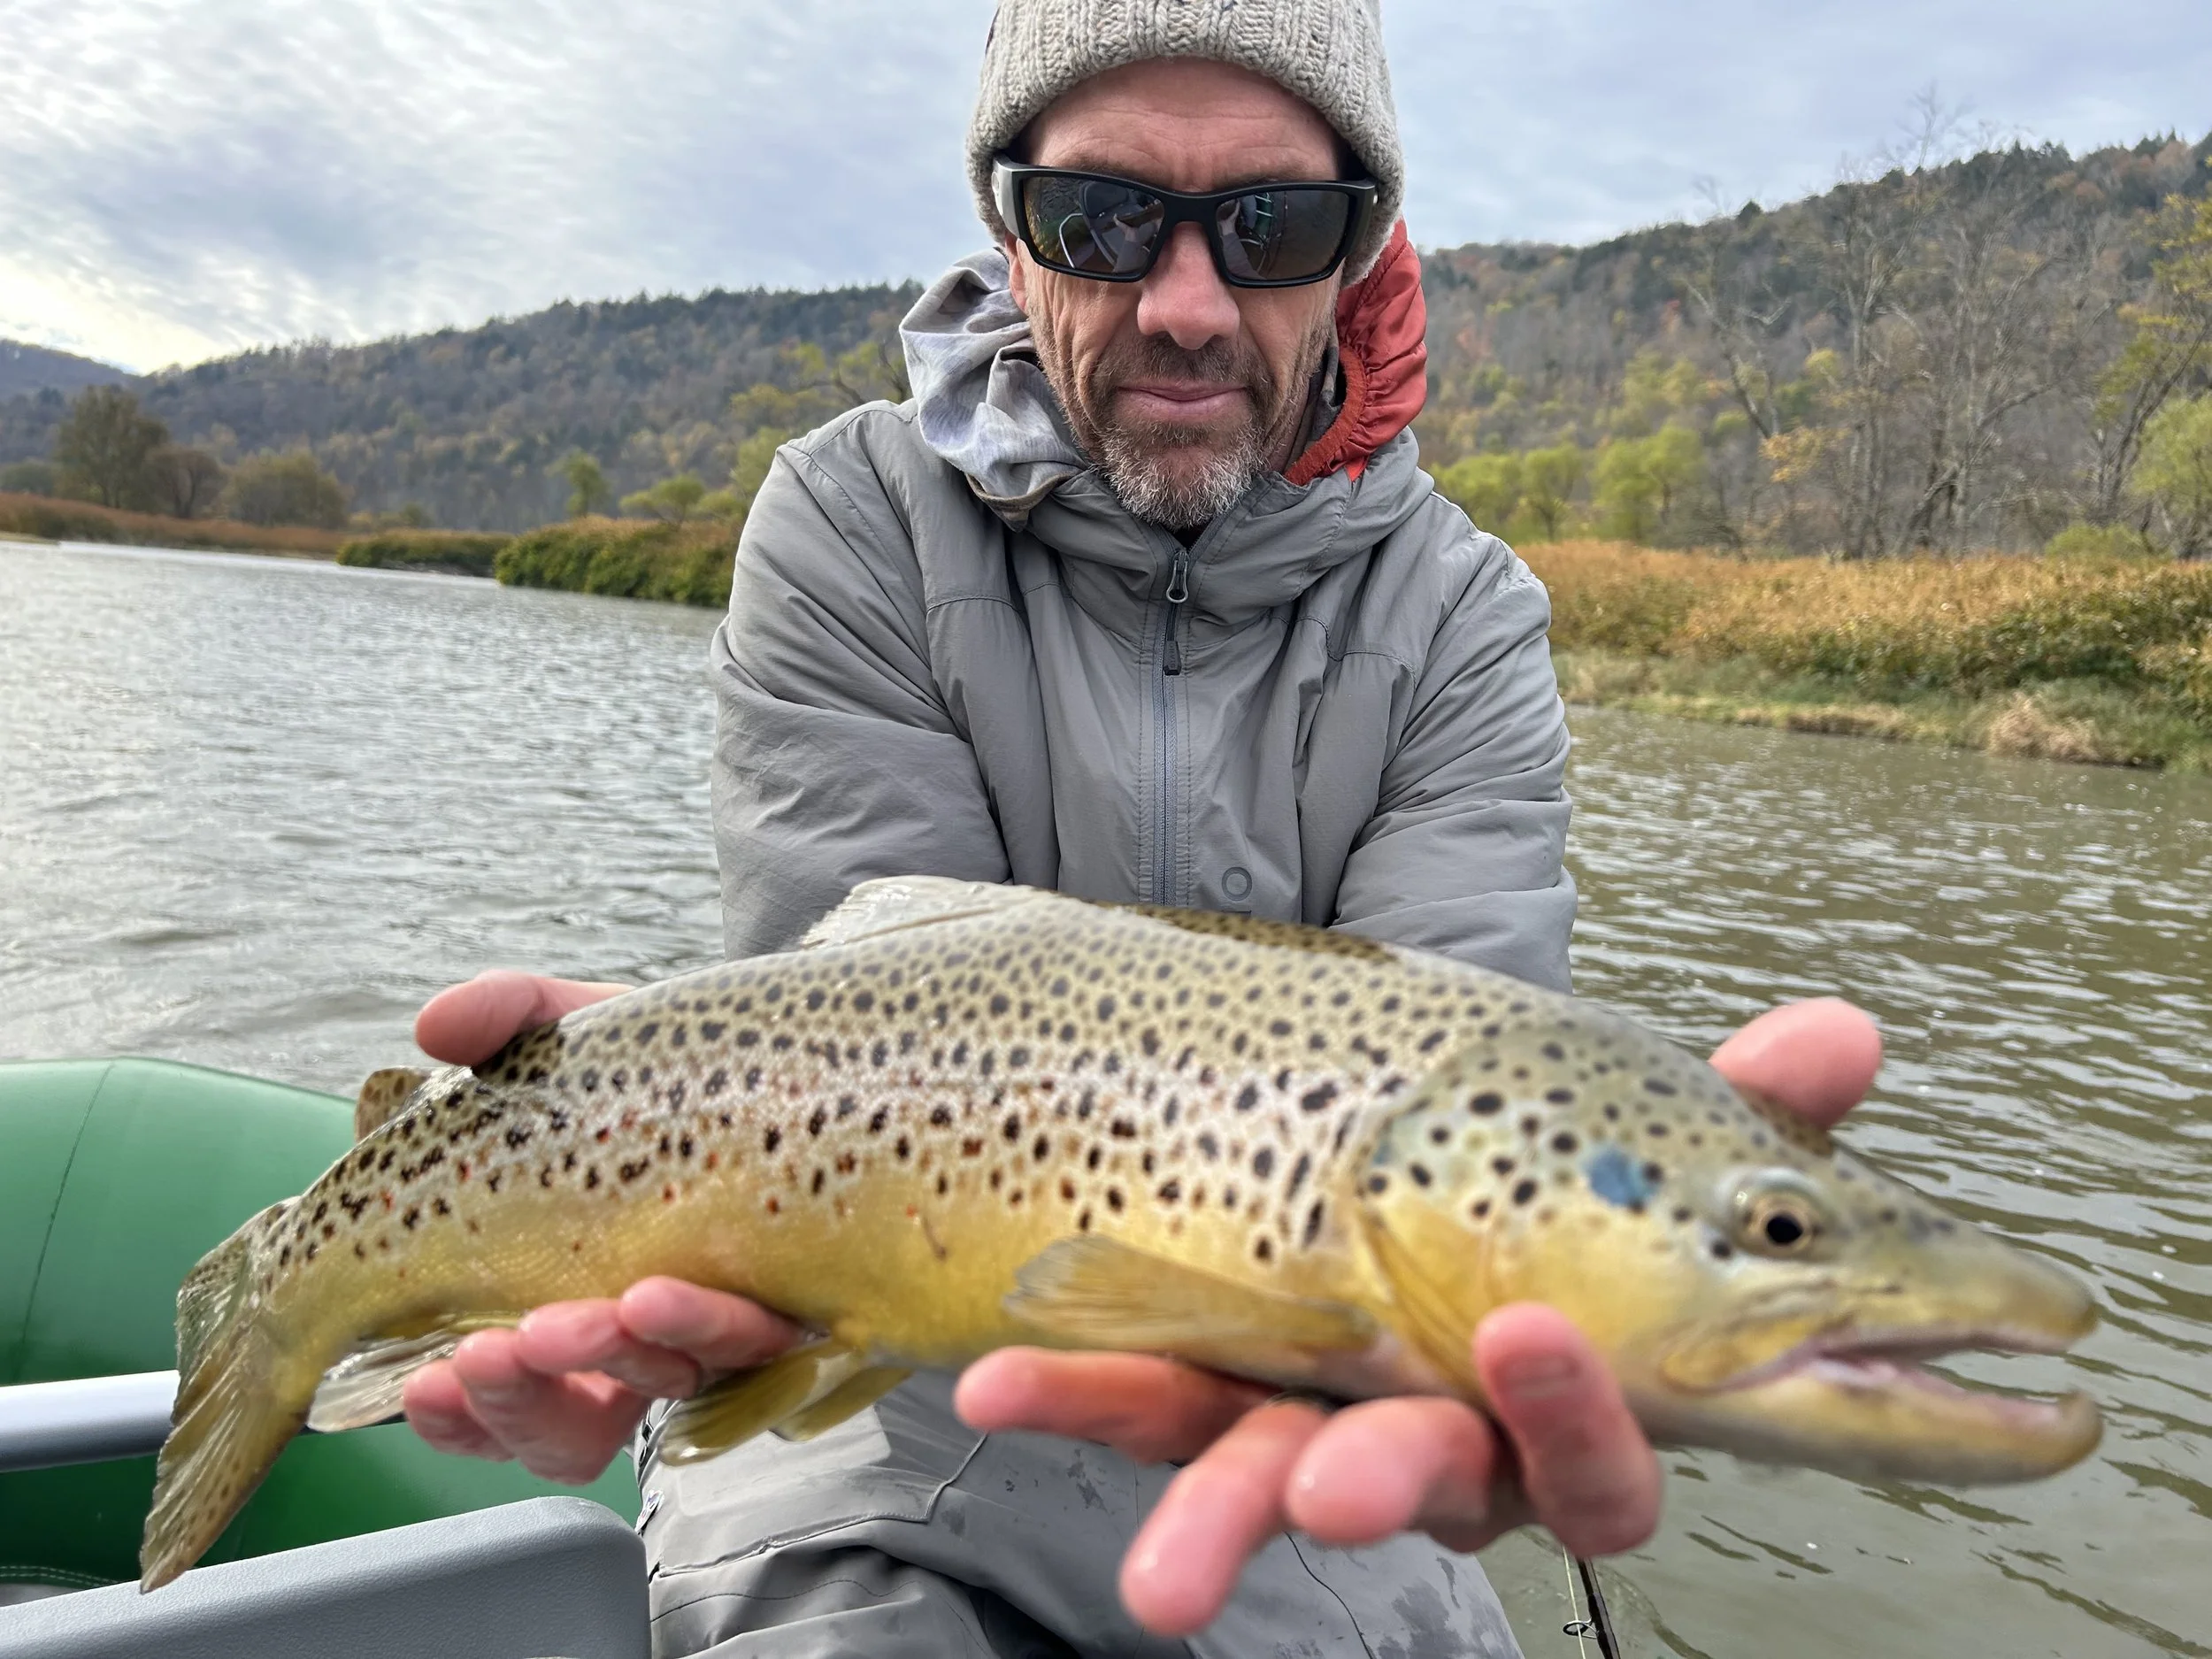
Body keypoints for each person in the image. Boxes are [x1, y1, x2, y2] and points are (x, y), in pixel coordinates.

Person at [401, 3, 1886, 1653]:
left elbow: (1449, 1123)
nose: (1184, 305)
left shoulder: (1466, 618)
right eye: (1101, 219)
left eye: (1272, 226)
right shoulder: (849, 519)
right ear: (1007, 232)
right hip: (876, 1425)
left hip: (1315, 1451)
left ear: (1358, 250)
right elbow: (869, 1061)